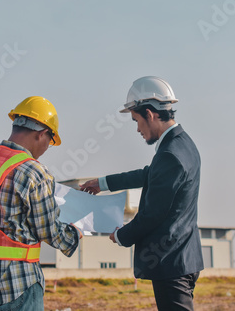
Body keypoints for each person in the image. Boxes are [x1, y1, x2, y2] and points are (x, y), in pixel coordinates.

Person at [80, 76, 203, 311]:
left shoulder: (170, 154)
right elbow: (149, 174)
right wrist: (103, 183)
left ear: (150, 114)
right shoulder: (184, 144)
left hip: (171, 261)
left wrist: (121, 236)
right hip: (183, 257)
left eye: (136, 120)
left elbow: (152, 215)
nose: (137, 128)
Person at [0, 96, 82, 311]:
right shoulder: (34, 172)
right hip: (16, 285)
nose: (47, 148)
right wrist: (74, 233)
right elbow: (49, 230)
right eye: (50, 141)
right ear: (41, 134)